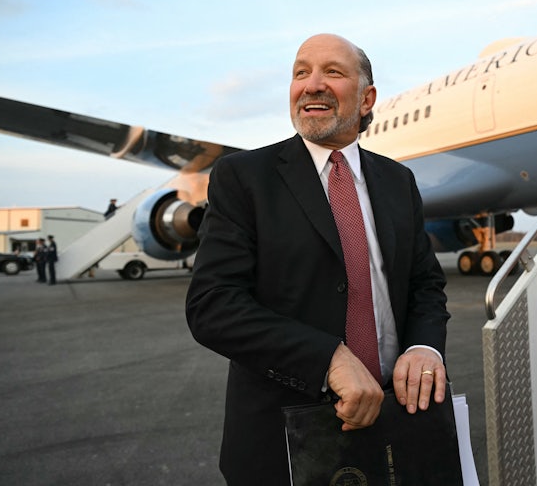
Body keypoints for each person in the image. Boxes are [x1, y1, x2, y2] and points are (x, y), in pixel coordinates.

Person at [185, 33, 450, 485]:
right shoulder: (243, 178)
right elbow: (213, 304)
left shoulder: (398, 181)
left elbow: (425, 284)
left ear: (366, 99)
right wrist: (328, 358)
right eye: (300, 72)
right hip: (283, 438)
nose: (311, 84)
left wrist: (424, 346)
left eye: (333, 72)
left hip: (399, 425)